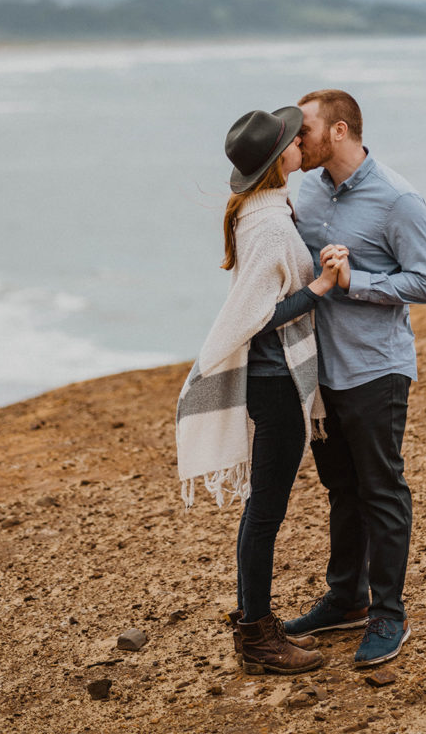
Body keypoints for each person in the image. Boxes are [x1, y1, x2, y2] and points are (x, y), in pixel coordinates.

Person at [175, 106, 346, 676]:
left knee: (262, 511)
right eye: (293, 140)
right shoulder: (270, 223)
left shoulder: (260, 210)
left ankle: (256, 627)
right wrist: (319, 286)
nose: (303, 141)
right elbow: (261, 314)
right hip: (276, 386)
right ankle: (257, 638)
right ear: (280, 162)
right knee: (265, 513)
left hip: (272, 382)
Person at [283, 89, 426, 668]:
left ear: (340, 131)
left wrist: (357, 281)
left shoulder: (397, 199)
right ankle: (345, 598)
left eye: (303, 129)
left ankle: (388, 615)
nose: (293, 138)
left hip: (376, 369)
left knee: (381, 490)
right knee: (341, 489)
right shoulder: (308, 189)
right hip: (321, 376)